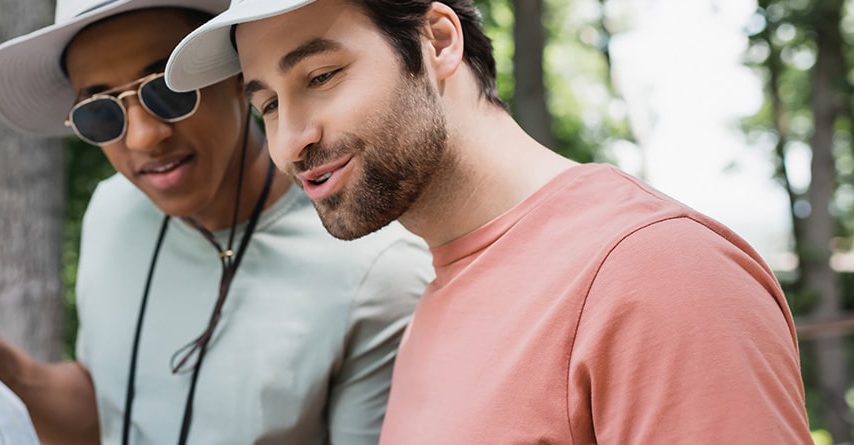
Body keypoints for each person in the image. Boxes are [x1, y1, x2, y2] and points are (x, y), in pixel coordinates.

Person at [163, 0, 812, 442]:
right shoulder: (438, 289)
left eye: (323, 75)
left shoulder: (656, 275)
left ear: (438, 41)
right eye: (269, 104)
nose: (291, 140)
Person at [0, 0, 433, 443]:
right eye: (101, 112)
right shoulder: (112, 210)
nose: (143, 138)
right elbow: (107, 415)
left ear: (235, 74)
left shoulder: (376, 269)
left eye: (168, 89)